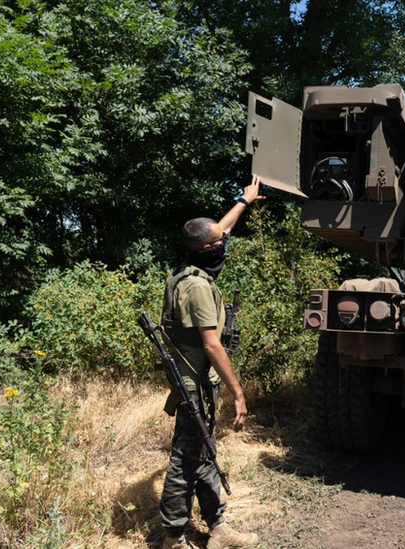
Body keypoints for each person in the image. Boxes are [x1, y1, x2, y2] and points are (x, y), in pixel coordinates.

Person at [159, 175, 265, 549]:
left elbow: (221, 228)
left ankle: (217, 528)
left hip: (198, 383)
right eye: (219, 242)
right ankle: (173, 536)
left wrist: (244, 200)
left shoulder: (192, 268)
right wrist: (238, 393)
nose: (225, 242)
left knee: (204, 450)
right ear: (206, 248)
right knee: (185, 460)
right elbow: (212, 345)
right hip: (194, 383)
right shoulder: (198, 287)